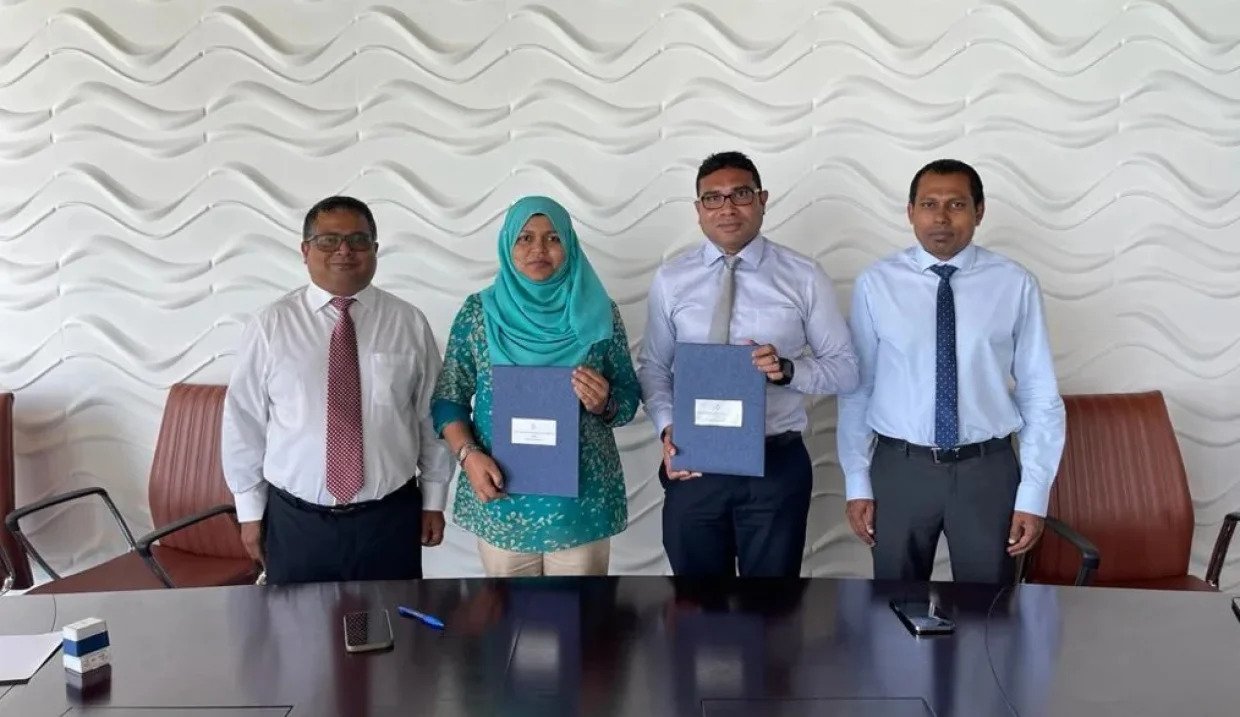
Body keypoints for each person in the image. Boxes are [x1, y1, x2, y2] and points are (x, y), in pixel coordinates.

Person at [837, 159, 1066, 584]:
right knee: (895, 609)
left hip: (986, 471)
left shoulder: (1014, 283)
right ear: (911, 212)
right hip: (899, 469)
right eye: (929, 204)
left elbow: (1038, 391)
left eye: (956, 204)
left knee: (988, 612)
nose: (941, 217)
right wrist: (857, 481)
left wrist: (1034, 494)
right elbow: (858, 389)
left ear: (979, 211)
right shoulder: (876, 283)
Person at [637, 150, 859, 577]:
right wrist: (668, 428)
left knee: (771, 606)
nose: (727, 208)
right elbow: (653, 368)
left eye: (740, 194)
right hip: (694, 462)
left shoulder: (804, 276)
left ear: (762, 199)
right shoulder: (671, 279)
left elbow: (846, 369)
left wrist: (788, 370)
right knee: (697, 604)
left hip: (775, 465)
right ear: (698, 209)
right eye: (713, 198)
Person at [221, 195, 452, 584]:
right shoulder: (271, 325)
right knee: (299, 622)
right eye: (329, 240)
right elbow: (243, 422)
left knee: (385, 620)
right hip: (296, 522)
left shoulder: (408, 323)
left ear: (375, 249)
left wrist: (434, 499)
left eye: (358, 240)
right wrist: (249, 511)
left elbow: (431, 416)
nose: (344, 251)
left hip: (388, 520)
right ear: (305, 250)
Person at [431, 195, 639, 576]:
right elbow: (448, 399)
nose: (538, 249)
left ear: (569, 244)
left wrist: (605, 402)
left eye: (553, 238)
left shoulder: (599, 311)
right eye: (525, 238)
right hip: (501, 501)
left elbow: (627, 397)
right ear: (507, 245)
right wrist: (468, 456)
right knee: (509, 614)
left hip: (579, 506)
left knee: (580, 613)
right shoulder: (479, 314)